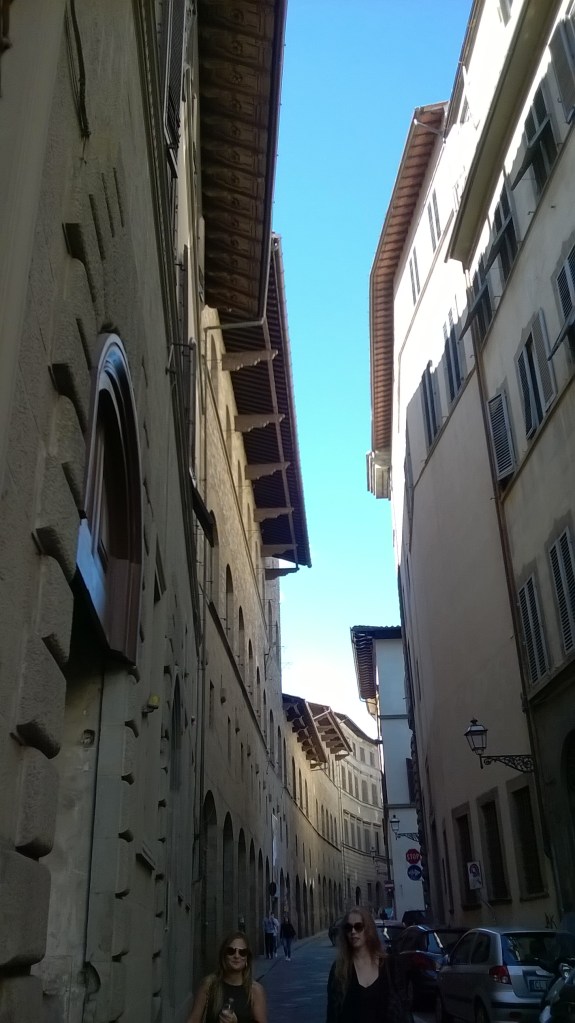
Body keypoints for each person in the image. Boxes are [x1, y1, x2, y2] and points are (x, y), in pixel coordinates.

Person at [326, 906, 392, 1023]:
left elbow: (399, 1010)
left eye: (358, 927)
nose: (353, 931)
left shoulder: (387, 966)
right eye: (348, 927)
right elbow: (332, 1015)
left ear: (368, 929)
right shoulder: (339, 970)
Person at [187, 931, 267, 1023]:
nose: (236, 956)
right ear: (224, 955)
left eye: (242, 952)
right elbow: (193, 1020)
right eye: (231, 951)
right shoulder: (209, 985)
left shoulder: (255, 991)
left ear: (247, 958)